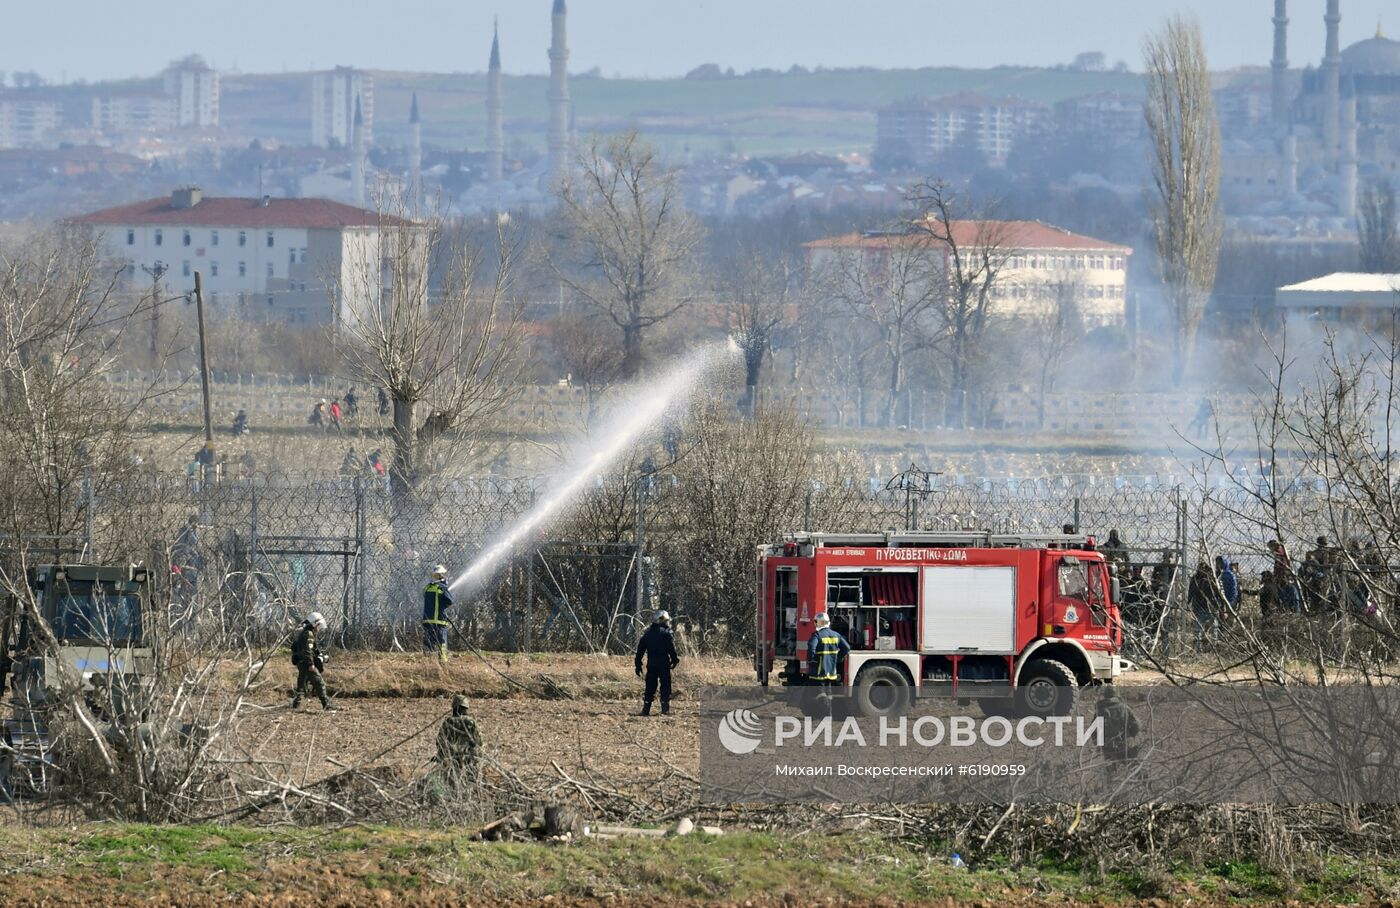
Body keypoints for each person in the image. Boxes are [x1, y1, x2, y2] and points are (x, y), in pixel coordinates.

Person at [634, 610, 680, 716]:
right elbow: (671, 649)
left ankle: (646, 709)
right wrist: (674, 659)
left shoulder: (647, 634)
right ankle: (665, 709)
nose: (667, 623)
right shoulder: (666, 634)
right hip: (663, 664)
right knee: (665, 685)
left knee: (650, 686)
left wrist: (638, 665)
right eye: (666, 621)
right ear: (660, 620)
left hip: (651, 664)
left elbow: (640, 651)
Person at [291, 612, 337, 710]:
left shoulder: (304, 632)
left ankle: (296, 703)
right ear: (315, 624)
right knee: (319, 682)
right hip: (306, 663)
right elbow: (307, 650)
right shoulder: (309, 634)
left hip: (301, 662)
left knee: (302, 683)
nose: (319, 628)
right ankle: (326, 704)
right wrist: (310, 664)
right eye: (318, 625)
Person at [807, 611, 850, 718]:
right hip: (831, 671)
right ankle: (828, 713)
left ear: (817, 623)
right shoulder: (836, 635)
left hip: (819, 671)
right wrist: (839, 657)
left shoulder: (817, 635)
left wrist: (812, 660)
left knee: (820, 693)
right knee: (829, 693)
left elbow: (811, 649)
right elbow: (847, 648)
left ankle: (826, 713)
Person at [435, 693, 483, 787]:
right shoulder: (471, 722)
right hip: (468, 757)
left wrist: (441, 754)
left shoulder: (448, 721)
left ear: (454, 707)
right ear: (466, 708)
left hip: (450, 757)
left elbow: (440, 741)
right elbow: (480, 741)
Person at [1095, 685, 1140, 765]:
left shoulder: (1100, 710)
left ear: (1105, 695)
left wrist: (1099, 744)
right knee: (1134, 767)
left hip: (1108, 747)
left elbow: (1094, 731)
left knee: (1111, 772)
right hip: (1125, 744)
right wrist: (1131, 735)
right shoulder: (1124, 708)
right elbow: (1136, 725)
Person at [423, 565, 452, 662]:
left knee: (429, 642)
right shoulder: (442, 588)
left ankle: (427, 662)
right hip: (440, 621)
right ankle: (443, 663)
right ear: (441, 576)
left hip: (428, 621)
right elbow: (450, 601)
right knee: (442, 643)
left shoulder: (427, 588)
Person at [1188, 560, 1217, 648]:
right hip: (1199, 606)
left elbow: (1216, 593)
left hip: (1209, 606)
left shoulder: (1211, 579)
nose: (1202, 570)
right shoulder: (1196, 579)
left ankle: (1211, 647)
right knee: (1198, 629)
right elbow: (1191, 592)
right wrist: (1188, 602)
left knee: (1212, 628)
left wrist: (1217, 606)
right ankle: (1198, 647)